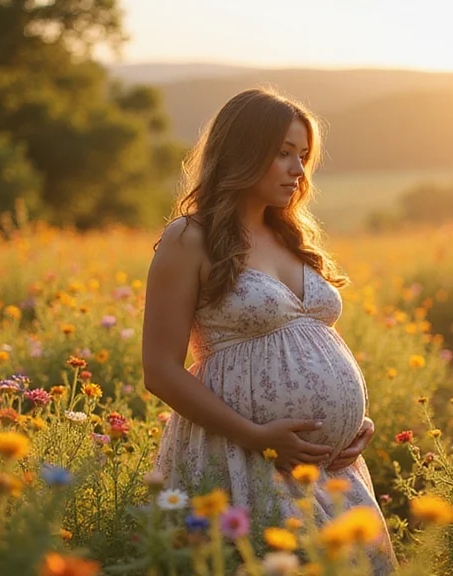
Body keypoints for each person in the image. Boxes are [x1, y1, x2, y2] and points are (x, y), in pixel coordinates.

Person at [142, 87, 396, 572]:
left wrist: (352, 422)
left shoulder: (289, 236)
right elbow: (160, 371)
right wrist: (257, 436)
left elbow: (312, 343)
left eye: (302, 156)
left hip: (331, 468)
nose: (298, 171)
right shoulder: (189, 239)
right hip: (243, 458)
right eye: (282, 154)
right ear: (241, 153)